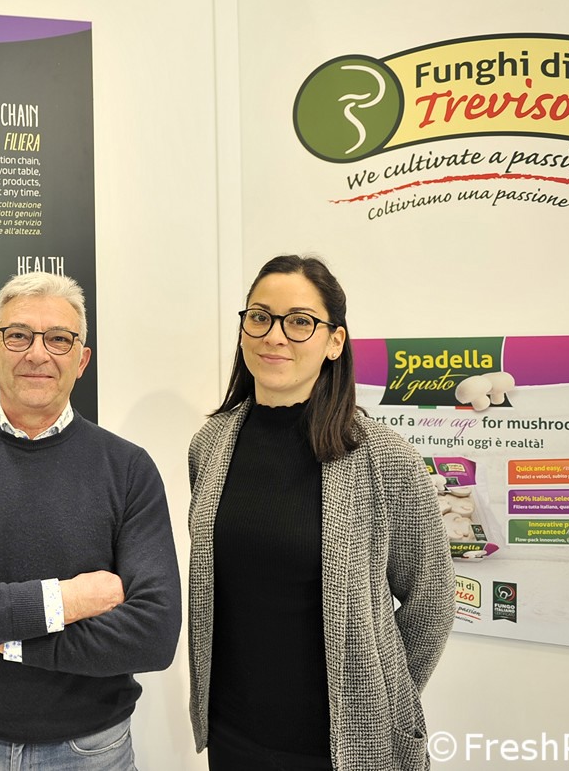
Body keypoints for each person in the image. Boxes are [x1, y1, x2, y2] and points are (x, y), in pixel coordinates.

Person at [0, 271, 181, 770]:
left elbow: (153, 635)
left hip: (92, 752)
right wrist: (69, 600)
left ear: (81, 360)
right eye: (18, 336)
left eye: (59, 339)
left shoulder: (129, 469)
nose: (38, 354)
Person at [187, 255, 454, 771]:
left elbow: (433, 602)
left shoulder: (383, 457)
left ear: (335, 341)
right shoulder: (210, 445)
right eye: (260, 317)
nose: (275, 335)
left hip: (342, 749)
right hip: (232, 735)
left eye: (300, 322)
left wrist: (382, 701)